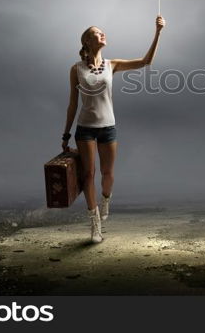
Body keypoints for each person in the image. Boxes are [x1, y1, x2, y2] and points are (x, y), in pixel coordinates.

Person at [61, 15, 166, 243]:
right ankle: (94, 223)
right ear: (87, 41)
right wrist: (66, 133)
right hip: (85, 129)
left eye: (102, 32)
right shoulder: (76, 69)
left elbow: (146, 61)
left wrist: (157, 32)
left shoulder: (112, 65)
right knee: (88, 175)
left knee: (108, 176)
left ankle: (106, 199)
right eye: (97, 33)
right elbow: (72, 104)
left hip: (108, 128)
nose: (102, 34)